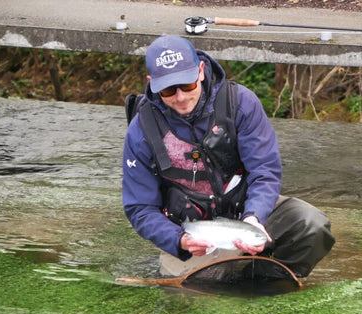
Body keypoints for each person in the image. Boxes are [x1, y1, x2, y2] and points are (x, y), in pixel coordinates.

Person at [122, 35, 334, 277]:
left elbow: (265, 171)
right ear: (152, 82)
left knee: (311, 225)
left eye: (187, 85)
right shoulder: (141, 130)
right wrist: (178, 240)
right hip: (190, 230)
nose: (180, 97)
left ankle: (266, 282)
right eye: (169, 89)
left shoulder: (240, 103)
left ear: (200, 71)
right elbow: (140, 207)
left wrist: (254, 217)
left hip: (245, 211)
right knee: (197, 293)